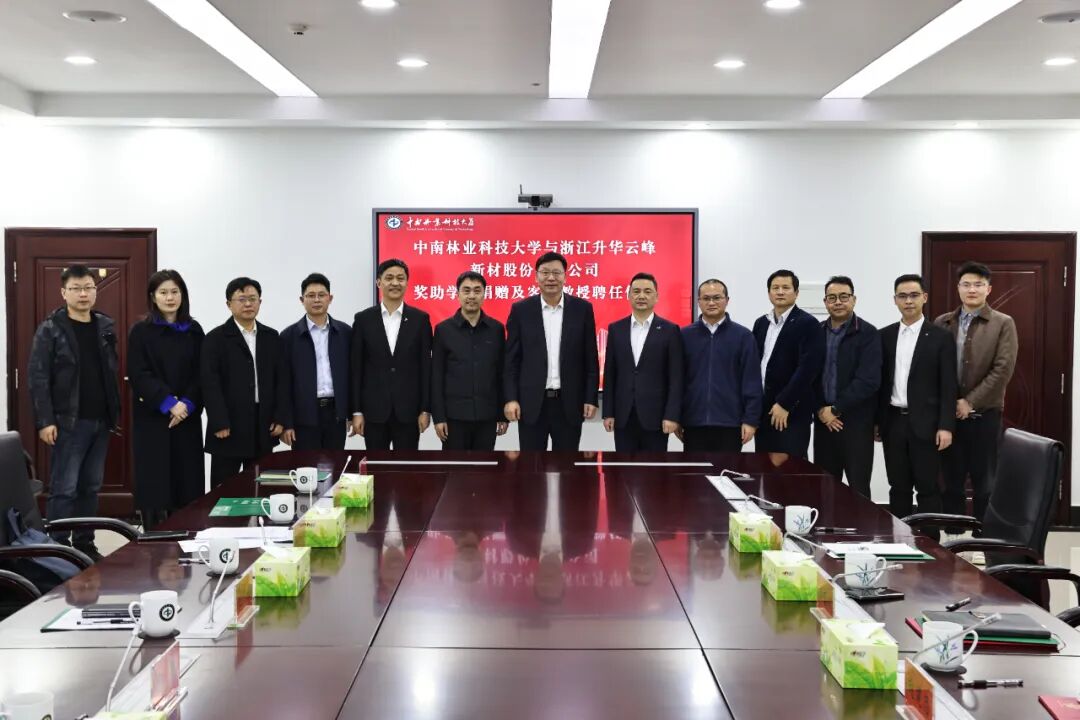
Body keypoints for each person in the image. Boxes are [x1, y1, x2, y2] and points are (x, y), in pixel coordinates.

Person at [28, 264, 120, 560]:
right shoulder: (51, 329)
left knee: (90, 487)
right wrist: (45, 421)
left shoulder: (104, 326)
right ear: (63, 292)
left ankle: (84, 543)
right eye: (76, 288)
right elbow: (38, 378)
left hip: (101, 419)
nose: (83, 294)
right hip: (68, 421)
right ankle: (57, 548)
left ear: (95, 290)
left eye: (88, 287)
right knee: (64, 488)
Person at [934, 261, 1017, 528]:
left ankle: (984, 537)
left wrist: (970, 402)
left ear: (988, 289)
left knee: (985, 482)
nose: (972, 289)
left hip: (985, 415)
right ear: (958, 288)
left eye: (978, 284)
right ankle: (953, 537)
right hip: (949, 418)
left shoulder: (1003, 323)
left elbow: (1003, 369)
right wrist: (949, 404)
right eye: (966, 284)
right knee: (950, 480)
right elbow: (933, 369)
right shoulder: (943, 322)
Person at [878, 274, 956, 538]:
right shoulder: (884, 336)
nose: (908, 301)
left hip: (928, 424)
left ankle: (930, 542)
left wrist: (946, 425)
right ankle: (899, 540)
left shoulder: (941, 337)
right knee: (898, 486)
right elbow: (880, 383)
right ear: (895, 300)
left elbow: (948, 385)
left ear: (924, 297)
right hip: (893, 422)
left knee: (928, 487)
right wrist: (878, 422)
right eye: (902, 296)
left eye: (914, 295)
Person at [127, 270, 205, 528]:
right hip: (154, 418)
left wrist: (187, 404)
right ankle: (154, 537)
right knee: (155, 480)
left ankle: (189, 535)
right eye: (163, 292)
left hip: (187, 419)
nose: (170, 298)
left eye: (174, 292)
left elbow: (202, 373)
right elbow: (139, 373)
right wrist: (169, 403)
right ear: (153, 297)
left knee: (187, 479)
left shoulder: (194, 331)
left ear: (183, 295)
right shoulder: (141, 332)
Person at [504, 252, 599, 451]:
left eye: (556, 272)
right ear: (536, 276)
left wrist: (590, 398)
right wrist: (511, 398)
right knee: (531, 465)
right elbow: (512, 360)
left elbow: (590, 358)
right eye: (545, 272)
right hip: (531, 404)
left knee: (567, 464)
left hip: (569, 403)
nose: (551, 278)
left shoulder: (582, 309)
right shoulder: (521, 310)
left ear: (565, 276)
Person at [201, 277, 288, 487]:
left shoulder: (271, 336)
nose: (248, 304)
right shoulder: (215, 339)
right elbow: (209, 383)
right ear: (228, 304)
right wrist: (219, 421)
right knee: (225, 489)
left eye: (252, 298)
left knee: (261, 486)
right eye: (241, 299)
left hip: (263, 424)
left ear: (260, 302)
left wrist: (280, 417)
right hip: (228, 426)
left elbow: (281, 380)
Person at [350, 258, 432, 450]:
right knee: (376, 464)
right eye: (389, 278)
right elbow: (356, 368)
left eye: (400, 278)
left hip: (409, 412)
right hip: (373, 412)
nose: (395, 283)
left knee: (406, 465)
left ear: (407, 282)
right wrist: (356, 411)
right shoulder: (363, 319)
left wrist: (425, 409)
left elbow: (425, 367)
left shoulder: (420, 319)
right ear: (379, 282)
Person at [812, 276, 881, 499]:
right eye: (832, 298)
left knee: (857, 489)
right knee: (824, 488)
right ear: (825, 302)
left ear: (854, 299)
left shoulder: (868, 333)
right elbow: (809, 377)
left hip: (856, 424)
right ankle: (825, 524)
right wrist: (820, 410)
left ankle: (860, 525)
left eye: (844, 296)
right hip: (823, 423)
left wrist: (836, 409)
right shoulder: (816, 332)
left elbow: (868, 380)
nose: (838, 302)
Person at [601, 272, 683, 451]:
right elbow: (611, 373)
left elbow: (676, 377)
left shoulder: (670, 330)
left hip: (656, 417)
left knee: (654, 467)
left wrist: (672, 415)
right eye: (636, 291)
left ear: (656, 296)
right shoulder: (616, 329)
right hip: (623, 416)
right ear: (629, 295)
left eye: (647, 291)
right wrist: (608, 412)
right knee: (623, 466)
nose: (641, 296)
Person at [679, 278, 762, 453]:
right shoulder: (684, 336)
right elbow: (677, 380)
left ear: (727, 300)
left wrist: (751, 420)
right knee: (695, 471)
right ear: (698, 302)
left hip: (731, 424)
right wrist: (676, 417)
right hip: (693, 424)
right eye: (706, 298)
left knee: (727, 470)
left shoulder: (743, 336)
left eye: (717, 297)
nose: (711, 303)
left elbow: (752, 381)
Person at [752, 269, 824, 464]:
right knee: (764, 468)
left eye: (786, 287)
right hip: (763, 410)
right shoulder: (761, 323)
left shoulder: (808, 324)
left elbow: (808, 369)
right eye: (775, 288)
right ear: (769, 293)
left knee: (789, 469)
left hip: (791, 411)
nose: (780, 292)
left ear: (796, 293)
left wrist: (785, 403)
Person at [431, 271, 508, 450]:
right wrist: (439, 417)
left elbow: (501, 373)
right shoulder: (443, 330)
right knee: (454, 466)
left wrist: (502, 414)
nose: (471, 296)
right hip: (453, 417)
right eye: (466, 290)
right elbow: (437, 376)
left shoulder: (496, 329)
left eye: (477, 291)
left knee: (485, 466)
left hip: (487, 416)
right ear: (457, 294)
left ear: (484, 294)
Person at [280, 273, 352, 451]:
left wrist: (351, 413)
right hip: (303, 415)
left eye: (321, 295)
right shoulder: (288, 336)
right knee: (305, 465)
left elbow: (353, 375)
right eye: (311, 295)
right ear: (302, 300)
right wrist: (287, 422)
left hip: (336, 414)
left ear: (330, 298)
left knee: (335, 464)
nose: (317, 300)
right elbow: (283, 383)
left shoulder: (345, 333)